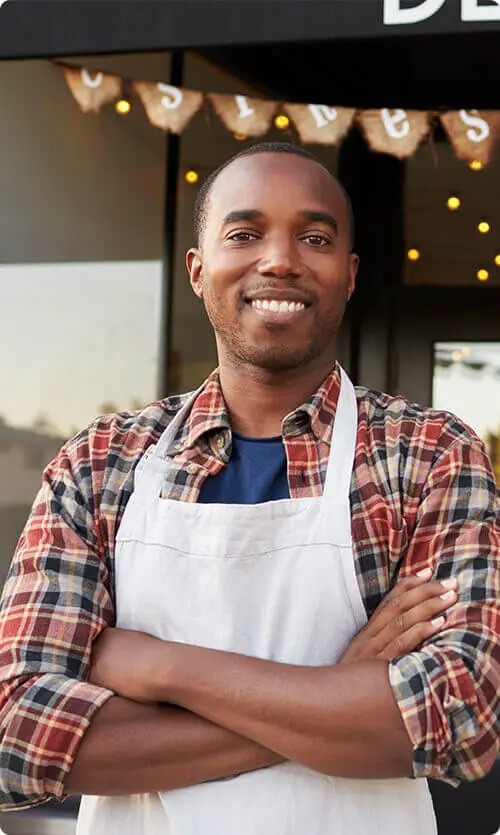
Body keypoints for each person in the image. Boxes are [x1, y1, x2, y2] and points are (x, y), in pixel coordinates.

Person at [0, 141, 498, 835]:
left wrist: (161, 665)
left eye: (315, 237)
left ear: (349, 275)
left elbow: (462, 718)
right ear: (199, 271)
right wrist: (342, 686)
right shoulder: (100, 463)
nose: (280, 259)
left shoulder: (427, 455)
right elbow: (18, 734)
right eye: (245, 233)